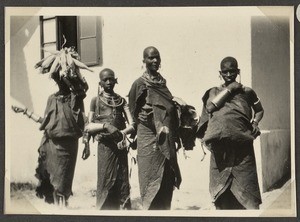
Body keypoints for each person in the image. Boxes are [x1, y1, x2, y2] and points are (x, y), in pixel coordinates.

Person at [197, 56, 264, 209]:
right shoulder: (214, 92)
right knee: (222, 197)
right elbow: (211, 107)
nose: (228, 75)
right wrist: (231, 88)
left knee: (248, 195)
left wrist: (254, 122)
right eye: (225, 72)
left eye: (232, 71)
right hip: (220, 152)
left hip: (243, 151)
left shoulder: (248, 92)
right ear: (220, 73)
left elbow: (259, 110)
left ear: (238, 71)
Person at [128, 46, 185, 210]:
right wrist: (154, 123)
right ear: (144, 61)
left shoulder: (162, 83)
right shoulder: (139, 84)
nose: (155, 61)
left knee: (167, 179)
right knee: (150, 179)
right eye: (150, 58)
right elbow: (135, 113)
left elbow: (166, 108)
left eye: (157, 57)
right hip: (149, 140)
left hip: (166, 139)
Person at [82, 68, 135, 210]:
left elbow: (133, 124)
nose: (109, 82)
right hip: (105, 148)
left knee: (122, 180)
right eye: (105, 79)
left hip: (120, 146)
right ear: (100, 82)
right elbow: (88, 126)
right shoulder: (96, 101)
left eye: (111, 79)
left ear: (115, 80)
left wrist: (121, 133)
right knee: (106, 180)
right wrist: (105, 126)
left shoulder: (121, 101)